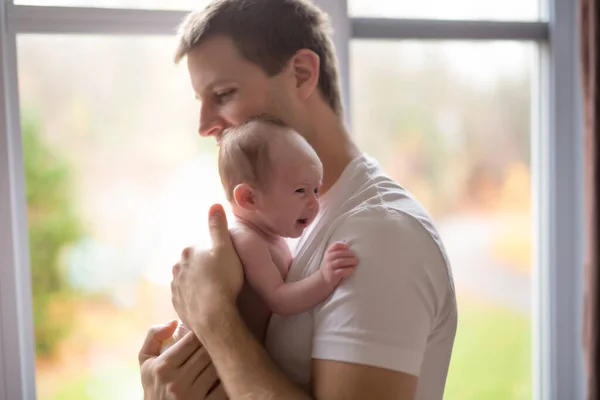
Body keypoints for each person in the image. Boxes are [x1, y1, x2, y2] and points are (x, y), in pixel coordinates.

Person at [138, 0, 457, 399]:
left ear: (302, 74)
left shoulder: (379, 236)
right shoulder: (283, 219)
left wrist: (214, 319)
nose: (204, 126)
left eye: (223, 93)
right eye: (200, 100)